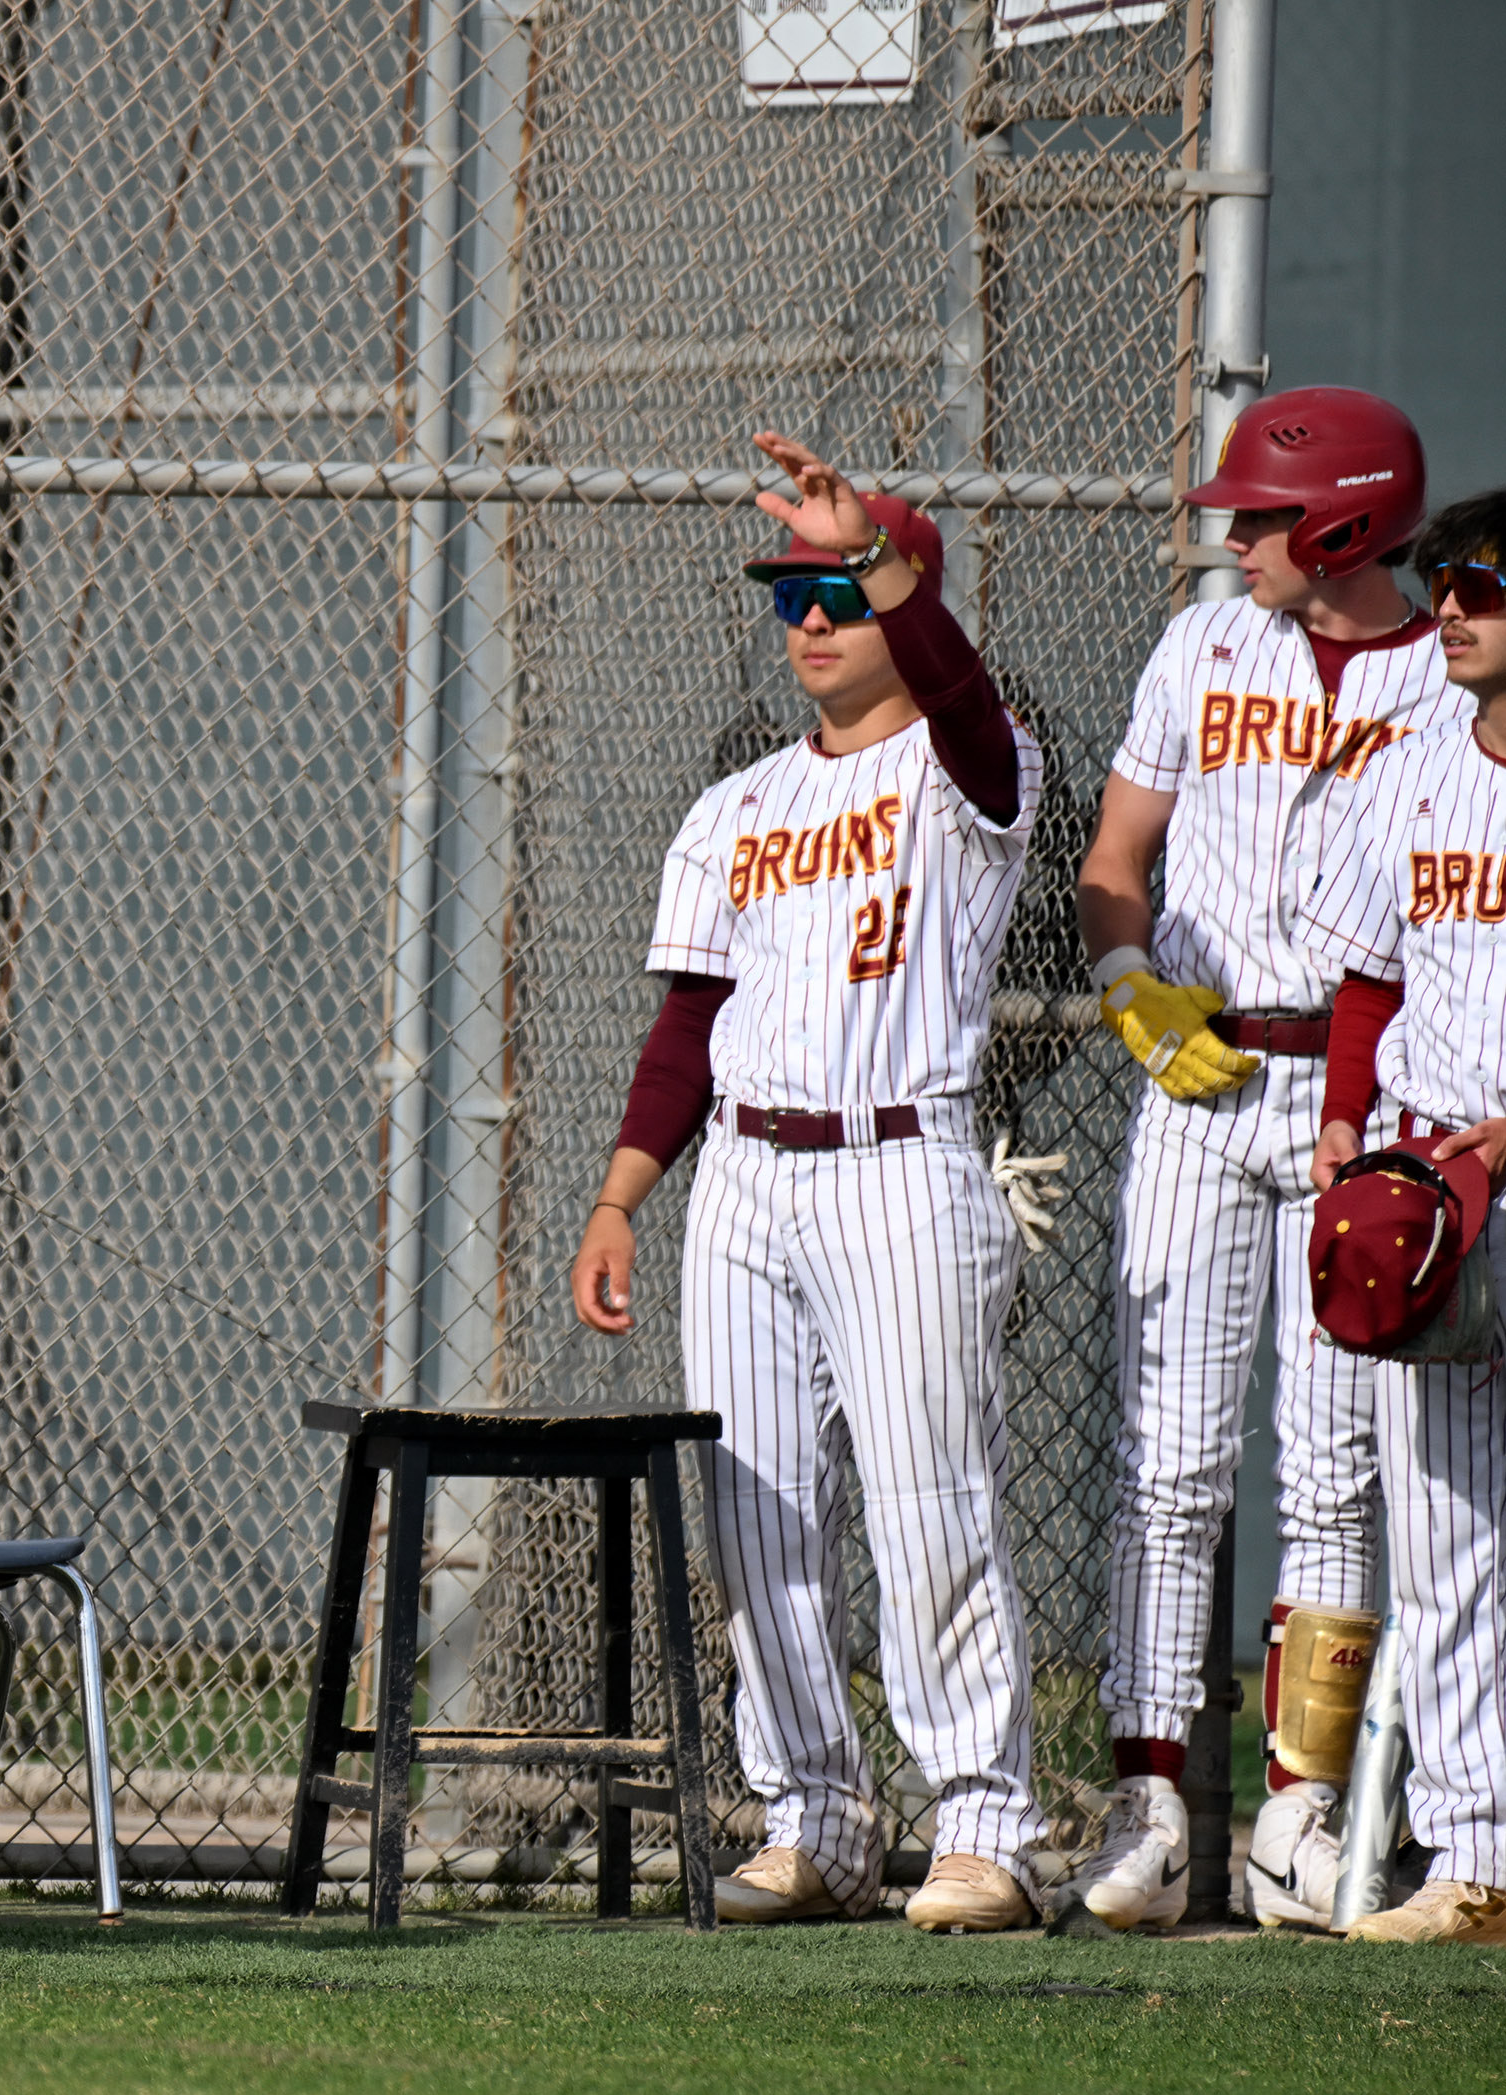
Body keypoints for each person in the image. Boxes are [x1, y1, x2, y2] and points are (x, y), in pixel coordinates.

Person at [569, 435, 1052, 1932]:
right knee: (758, 1516)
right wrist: (621, 1195)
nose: (811, 619)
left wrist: (892, 561)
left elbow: (962, 700)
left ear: (901, 599)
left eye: (839, 588)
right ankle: (818, 1820)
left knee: (928, 1506)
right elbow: (688, 1026)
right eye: (792, 594)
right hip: (748, 1182)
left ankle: (984, 1828)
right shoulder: (736, 807)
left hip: (901, 1162)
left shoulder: (974, 769)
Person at [1069, 388, 1467, 1934]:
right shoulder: (1204, 645)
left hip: (1358, 1094)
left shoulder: (1450, 678)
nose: (1237, 539)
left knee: (1335, 1472)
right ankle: (1149, 1799)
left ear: (1350, 523)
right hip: (1201, 1069)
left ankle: (1298, 1809)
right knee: (1163, 1464)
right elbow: (1114, 866)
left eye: (1264, 516)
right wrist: (1123, 992)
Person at [1294, 485, 1506, 1946]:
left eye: (1480, 584)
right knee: (1439, 1536)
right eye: (1439, 581)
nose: (1447, 608)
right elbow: (1370, 975)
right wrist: (1343, 1117)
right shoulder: (1422, 768)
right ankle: (1477, 1859)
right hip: (1441, 1180)